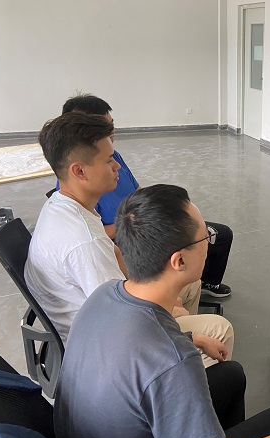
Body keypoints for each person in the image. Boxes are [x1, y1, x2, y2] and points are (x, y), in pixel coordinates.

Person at [54, 183, 270, 438]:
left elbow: (134, 351)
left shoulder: (105, 293)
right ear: (179, 261)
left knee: (232, 375)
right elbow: (160, 359)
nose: (208, 245)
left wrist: (195, 339)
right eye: (205, 238)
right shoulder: (175, 361)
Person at [25, 112, 233, 366]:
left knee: (189, 285)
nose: (117, 167)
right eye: (108, 161)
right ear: (79, 170)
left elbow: (115, 255)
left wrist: (167, 305)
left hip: (101, 316)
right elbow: (123, 321)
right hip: (100, 347)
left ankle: (180, 360)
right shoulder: (84, 243)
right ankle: (185, 374)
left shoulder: (65, 206)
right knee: (219, 330)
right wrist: (188, 333)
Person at [59, 93, 233, 299]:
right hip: (133, 232)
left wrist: (162, 209)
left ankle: (204, 283)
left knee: (218, 234)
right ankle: (186, 286)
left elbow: (138, 191)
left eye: (112, 126)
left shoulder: (112, 158)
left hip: (140, 222)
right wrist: (132, 223)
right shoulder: (81, 208)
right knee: (199, 240)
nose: (115, 167)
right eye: (104, 128)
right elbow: (102, 244)